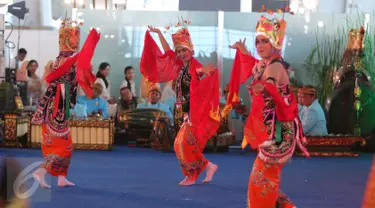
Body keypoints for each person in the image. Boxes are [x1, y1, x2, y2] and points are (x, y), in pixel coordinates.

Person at [227, 14, 309, 207]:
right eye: (257, 41)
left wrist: (264, 88)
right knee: (265, 176)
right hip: (270, 129)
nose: (260, 45)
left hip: (279, 131)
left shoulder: (275, 66)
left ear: (274, 43)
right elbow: (254, 67)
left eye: (264, 41)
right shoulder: (263, 63)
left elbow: (270, 82)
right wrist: (243, 50)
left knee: (261, 176)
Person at [140, 18, 221, 186]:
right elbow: (167, 51)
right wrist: (159, 33)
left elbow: (197, 72)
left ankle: (193, 174)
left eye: (184, 50)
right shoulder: (180, 64)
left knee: (183, 143)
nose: (181, 54)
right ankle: (207, 166)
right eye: (179, 51)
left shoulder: (194, 64)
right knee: (180, 144)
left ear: (191, 49)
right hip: (182, 109)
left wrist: (202, 71)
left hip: (193, 110)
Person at [31, 18, 100, 188]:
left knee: (66, 143)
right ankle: (41, 171)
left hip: (59, 103)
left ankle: (61, 177)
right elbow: (78, 71)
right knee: (61, 145)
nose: (76, 42)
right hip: (58, 105)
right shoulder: (66, 60)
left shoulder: (61, 59)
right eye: (74, 39)